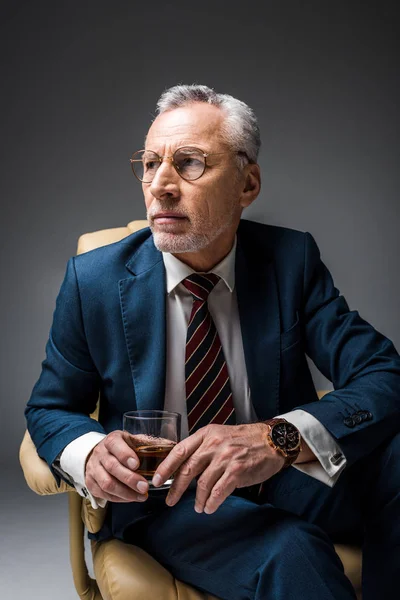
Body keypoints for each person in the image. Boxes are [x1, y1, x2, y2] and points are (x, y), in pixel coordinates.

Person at [25, 84, 400, 600]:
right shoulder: (92, 281)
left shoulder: (290, 261)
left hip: (282, 473)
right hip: (166, 499)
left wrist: (277, 439)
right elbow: (49, 407)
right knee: (290, 552)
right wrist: (89, 453)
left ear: (248, 184)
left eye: (191, 163)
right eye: (150, 163)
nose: (161, 185)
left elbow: (383, 375)